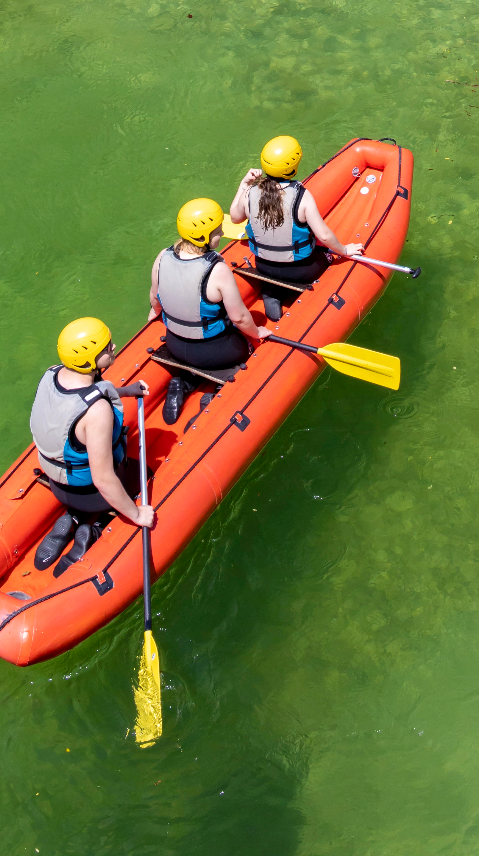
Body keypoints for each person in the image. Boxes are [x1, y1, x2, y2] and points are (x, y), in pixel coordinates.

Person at [29, 317, 155, 576]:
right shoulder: (97, 412)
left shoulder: (52, 374)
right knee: (143, 473)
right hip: (90, 493)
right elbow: (104, 480)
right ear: (88, 360)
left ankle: (71, 518)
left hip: (58, 484)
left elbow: (82, 395)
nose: (113, 347)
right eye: (107, 348)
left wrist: (125, 391)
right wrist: (138, 515)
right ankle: (96, 525)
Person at [149, 198, 272, 424]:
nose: (223, 231)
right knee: (246, 347)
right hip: (214, 352)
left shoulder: (162, 256)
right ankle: (216, 394)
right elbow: (240, 317)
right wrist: (257, 333)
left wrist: (154, 311)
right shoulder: (217, 269)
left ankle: (183, 382)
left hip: (175, 344)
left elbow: (154, 297)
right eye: (218, 229)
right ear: (204, 237)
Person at [228, 136, 363, 322]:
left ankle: (272, 292)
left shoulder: (250, 192)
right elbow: (323, 235)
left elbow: (235, 217)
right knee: (327, 256)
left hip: (264, 266)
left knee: (276, 271)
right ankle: (300, 299)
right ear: (293, 167)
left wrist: (243, 184)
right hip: (301, 270)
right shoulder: (302, 195)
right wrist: (345, 250)